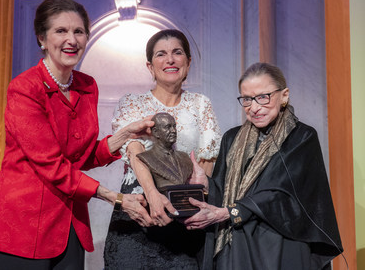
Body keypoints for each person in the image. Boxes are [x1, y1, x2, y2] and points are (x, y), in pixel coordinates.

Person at [0, 0, 154, 270]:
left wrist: (124, 136)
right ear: (42, 38)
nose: (71, 39)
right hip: (22, 227)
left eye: (79, 31)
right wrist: (116, 198)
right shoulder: (25, 88)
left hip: (69, 223)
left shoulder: (87, 86)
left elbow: (80, 156)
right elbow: (51, 164)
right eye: (61, 31)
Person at [184, 62, 343, 269]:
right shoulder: (231, 139)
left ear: (284, 95)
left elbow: (283, 193)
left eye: (263, 97)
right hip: (236, 241)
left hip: (280, 241)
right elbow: (223, 192)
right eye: (247, 99)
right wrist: (206, 183)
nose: (255, 107)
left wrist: (229, 213)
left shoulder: (302, 137)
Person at [104, 29, 222, 269]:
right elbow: (134, 150)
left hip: (185, 213)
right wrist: (152, 195)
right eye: (161, 54)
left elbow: (206, 159)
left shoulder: (201, 104)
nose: (170, 60)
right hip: (139, 209)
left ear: (188, 62)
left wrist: (196, 201)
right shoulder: (132, 102)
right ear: (150, 66)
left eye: (177, 52)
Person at [137, 112, 193, 188]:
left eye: (174, 126)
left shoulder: (184, 157)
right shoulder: (147, 157)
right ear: (155, 132)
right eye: (168, 127)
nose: (173, 130)